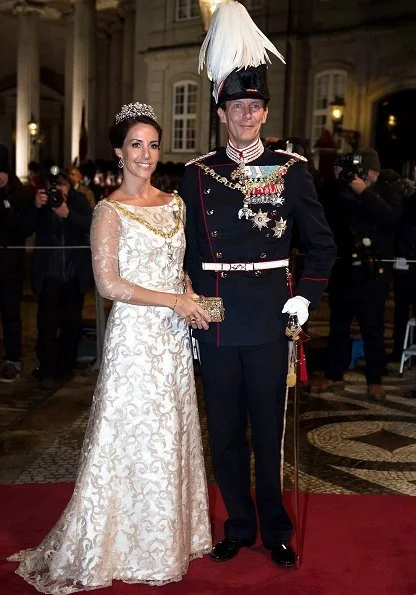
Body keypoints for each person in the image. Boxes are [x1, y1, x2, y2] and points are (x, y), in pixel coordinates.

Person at [9, 102, 212, 592]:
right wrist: (172, 301)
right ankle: (122, 543)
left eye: (153, 145)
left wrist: (188, 294)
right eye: (136, 145)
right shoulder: (108, 210)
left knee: (171, 431)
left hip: (171, 339)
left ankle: (168, 536)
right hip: (135, 339)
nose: (146, 154)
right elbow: (109, 284)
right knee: (130, 434)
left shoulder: (176, 203)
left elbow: (176, 263)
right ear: (119, 152)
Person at [180, 1, 336, 569]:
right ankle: (238, 525)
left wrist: (302, 299)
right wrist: (190, 306)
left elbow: (322, 246)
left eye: (255, 105)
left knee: (267, 434)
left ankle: (275, 528)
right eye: (237, 105)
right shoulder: (197, 175)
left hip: (272, 316)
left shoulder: (291, 169)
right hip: (218, 319)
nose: (247, 114)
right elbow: (189, 252)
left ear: (264, 112)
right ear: (221, 112)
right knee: (224, 433)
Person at [315, 150, 403, 399]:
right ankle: (333, 375)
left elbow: (391, 217)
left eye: (373, 172)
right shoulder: (341, 189)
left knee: (372, 326)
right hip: (345, 269)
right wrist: (339, 181)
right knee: (338, 325)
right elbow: (329, 211)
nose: (372, 175)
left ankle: (375, 379)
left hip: (373, 271)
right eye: (368, 172)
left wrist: (364, 191)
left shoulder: (389, 187)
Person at [19, 167, 93, 389]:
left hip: (73, 276)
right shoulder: (39, 203)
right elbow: (23, 230)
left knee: (71, 324)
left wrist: (68, 214)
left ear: (68, 186)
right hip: (49, 276)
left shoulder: (78, 201)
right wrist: (35, 207)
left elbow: (93, 225)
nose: (57, 191)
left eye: (61, 185)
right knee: (47, 325)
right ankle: (48, 369)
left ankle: (65, 366)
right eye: (54, 186)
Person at [0, 145, 33, 381]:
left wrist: (4, 202)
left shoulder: (19, 194)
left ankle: (13, 359)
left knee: (11, 314)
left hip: (10, 267)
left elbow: (21, 229)